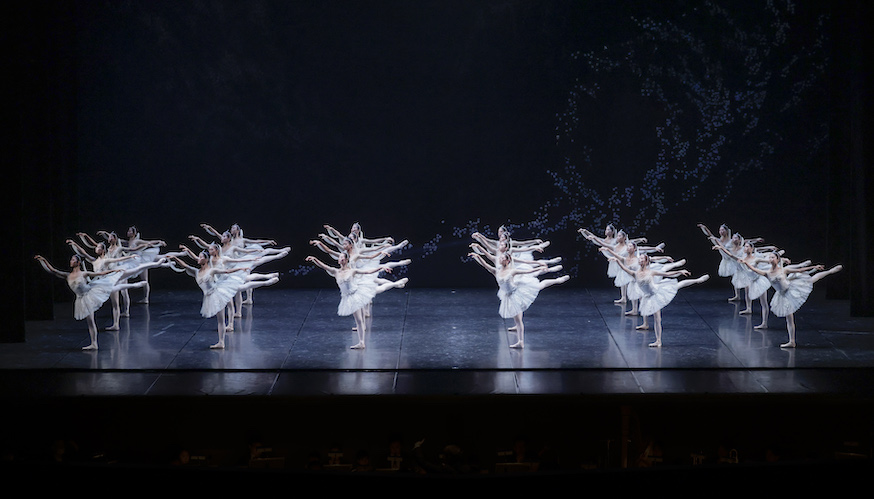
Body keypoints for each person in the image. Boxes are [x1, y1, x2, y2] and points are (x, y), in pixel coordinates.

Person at [34, 254, 149, 350]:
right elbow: (52, 271)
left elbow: (99, 274)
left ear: (78, 263)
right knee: (90, 321)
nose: (71, 261)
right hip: (81, 299)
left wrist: (114, 270)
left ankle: (135, 285)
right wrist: (43, 260)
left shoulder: (84, 273)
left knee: (112, 289)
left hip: (90, 294)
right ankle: (94, 344)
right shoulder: (67, 275)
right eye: (71, 259)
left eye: (73, 260)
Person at [168, 252, 279, 349]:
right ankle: (221, 342)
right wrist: (174, 258)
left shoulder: (211, 270)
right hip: (209, 297)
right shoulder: (196, 272)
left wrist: (240, 268)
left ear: (206, 260)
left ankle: (266, 282)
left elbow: (227, 271)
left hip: (218, 293)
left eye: (201, 257)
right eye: (198, 257)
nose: (198, 259)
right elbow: (185, 265)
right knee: (220, 320)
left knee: (241, 288)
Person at [468, 250, 569, 348]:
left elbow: (528, 271)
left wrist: (539, 268)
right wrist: (477, 257)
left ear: (508, 261)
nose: (500, 259)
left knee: (539, 286)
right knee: (518, 319)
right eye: (500, 258)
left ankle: (557, 280)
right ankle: (519, 337)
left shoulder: (512, 270)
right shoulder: (496, 271)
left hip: (517, 293)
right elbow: (485, 265)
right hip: (509, 295)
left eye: (503, 258)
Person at [306, 252, 408, 349]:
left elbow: (367, 271)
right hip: (347, 297)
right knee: (359, 320)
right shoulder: (335, 271)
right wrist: (314, 259)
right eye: (339, 257)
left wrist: (381, 267)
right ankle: (361, 342)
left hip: (356, 294)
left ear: (346, 260)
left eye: (342, 257)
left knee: (378, 290)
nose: (340, 259)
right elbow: (323, 266)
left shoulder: (352, 271)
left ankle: (396, 284)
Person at [742, 253, 842, 347]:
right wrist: (746, 263)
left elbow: (799, 270)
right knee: (789, 319)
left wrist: (813, 267)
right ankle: (792, 341)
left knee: (811, 280)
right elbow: (754, 269)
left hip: (791, 289)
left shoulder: (783, 270)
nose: (770, 259)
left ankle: (830, 271)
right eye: (770, 257)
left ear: (778, 260)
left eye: (773, 257)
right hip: (782, 296)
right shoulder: (767, 273)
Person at [611, 253, 709, 347]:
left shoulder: (651, 272)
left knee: (659, 316)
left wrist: (679, 272)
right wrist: (617, 261)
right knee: (656, 317)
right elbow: (624, 268)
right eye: (639, 258)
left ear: (646, 262)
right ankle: (656, 338)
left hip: (656, 293)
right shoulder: (635, 273)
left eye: (641, 258)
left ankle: (697, 280)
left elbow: (666, 274)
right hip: (647, 297)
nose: (639, 260)